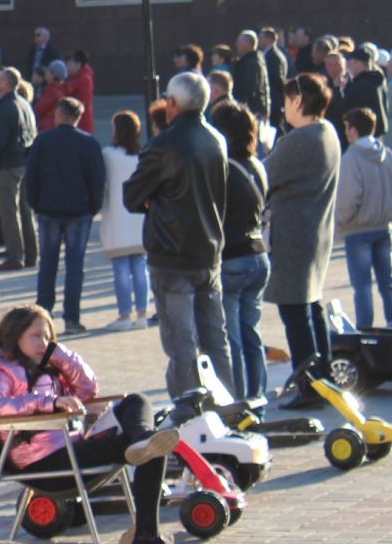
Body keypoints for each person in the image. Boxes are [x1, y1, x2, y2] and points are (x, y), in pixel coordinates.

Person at [0, 306, 190, 544]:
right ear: (15, 334)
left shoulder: (49, 365)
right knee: (153, 449)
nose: (43, 343)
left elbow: (87, 389)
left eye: (48, 337)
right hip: (44, 462)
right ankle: (145, 539)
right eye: (36, 336)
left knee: (138, 405)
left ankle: (141, 439)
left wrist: (60, 355)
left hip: (72, 449)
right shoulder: (1, 368)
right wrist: (48, 403)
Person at [123, 71, 235, 399]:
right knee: (215, 338)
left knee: (181, 342)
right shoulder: (217, 139)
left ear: (171, 104)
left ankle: (190, 415)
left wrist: (152, 198)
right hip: (209, 248)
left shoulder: (163, 145)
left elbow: (132, 196)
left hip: (172, 253)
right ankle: (231, 409)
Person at [267, 73, 341, 408]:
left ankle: (309, 386)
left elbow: (263, 177)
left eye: (286, 100)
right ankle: (324, 378)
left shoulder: (300, 139)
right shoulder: (328, 132)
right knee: (312, 306)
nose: (283, 107)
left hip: (295, 235)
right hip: (317, 233)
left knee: (296, 311)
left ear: (298, 100)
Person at [207, 102, 271, 404]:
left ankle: (240, 400)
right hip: (259, 253)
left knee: (230, 337)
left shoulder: (224, 168)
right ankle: (258, 395)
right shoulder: (257, 165)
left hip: (232, 257)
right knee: (251, 333)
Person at [24, 97, 106, 334]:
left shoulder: (43, 141)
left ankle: (43, 316)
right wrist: (93, 207)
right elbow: (97, 179)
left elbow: (32, 176)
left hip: (48, 209)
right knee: (75, 266)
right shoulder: (88, 143)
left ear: (59, 115)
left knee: (47, 264)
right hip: (79, 211)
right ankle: (72, 318)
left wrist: (35, 203)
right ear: (78, 117)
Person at [336, 106, 392, 330]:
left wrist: (340, 221)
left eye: (346, 127)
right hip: (384, 226)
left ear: (353, 130)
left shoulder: (351, 158)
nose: (345, 132)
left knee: (362, 285)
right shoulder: (388, 155)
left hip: (358, 229)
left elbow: (348, 197)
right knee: (387, 281)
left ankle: (365, 328)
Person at [97, 112, 151, 332]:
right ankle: (142, 314)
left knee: (120, 268)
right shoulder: (143, 155)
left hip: (116, 215)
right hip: (139, 216)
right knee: (140, 266)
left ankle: (124, 314)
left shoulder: (108, 154)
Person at [0, 68, 39, 270]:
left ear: (6, 84)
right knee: (25, 210)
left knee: (9, 212)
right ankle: (31, 254)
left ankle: (15, 256)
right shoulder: (24, 104)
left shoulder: (5, 108)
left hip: (8, 165)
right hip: (24, 162)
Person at [342, 43, 389, 138]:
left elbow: (346, 105)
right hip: (377, 131)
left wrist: (342, 89)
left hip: (362, 133)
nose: (347, 66)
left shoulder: (361, 85)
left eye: (350, 62)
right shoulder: (378, 81)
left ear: (358, 63)